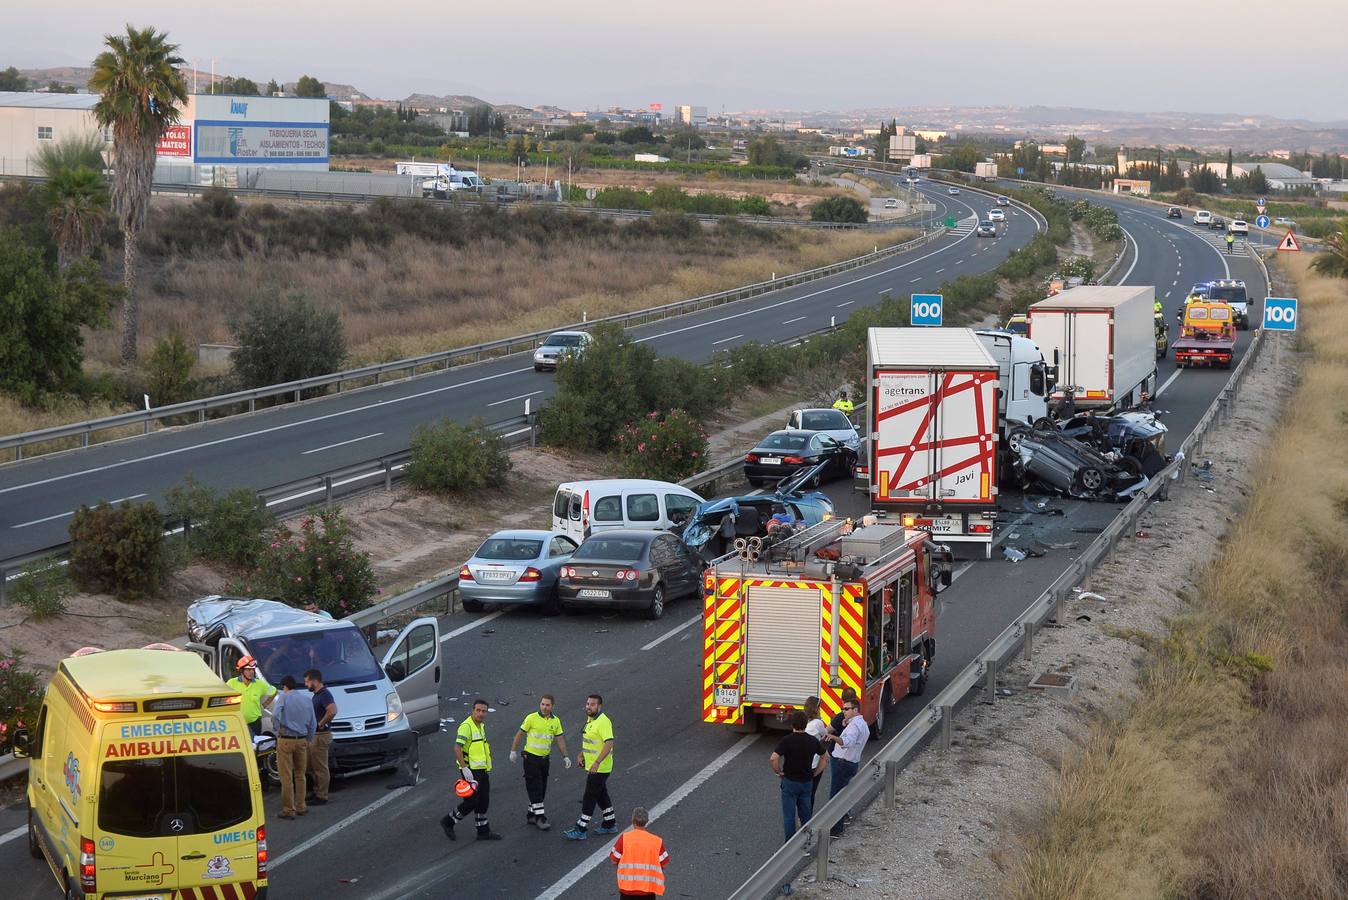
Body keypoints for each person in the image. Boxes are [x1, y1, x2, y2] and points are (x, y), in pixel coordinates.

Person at [510, 694, 572, 830]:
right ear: (540, 704)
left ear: (552, 706)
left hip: (544, 760)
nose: (544, 707)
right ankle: (540, 818)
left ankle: (531, 814)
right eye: (542, 704)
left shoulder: (555, 721)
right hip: (531, 759)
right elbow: (519, 734)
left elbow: (560, 739)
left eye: (547, 705)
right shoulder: (531, 718)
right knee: (536, 788)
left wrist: (565, 756)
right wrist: (513, 751)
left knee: (542, 788)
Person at [443, 699, 502, 841]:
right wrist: (464, 768)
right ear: (473, 710)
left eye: (484, 711)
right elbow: (457, 748)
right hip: (471, 772)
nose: (481, 713)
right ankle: (448, 822)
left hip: (482, 771)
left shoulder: (480, 726)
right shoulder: (466, 727)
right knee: (471, 802)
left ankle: (483, 832)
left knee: (483, 801)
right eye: (478, 710)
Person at [564, 694, 617, 841]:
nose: (588, 706)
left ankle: (581, 828)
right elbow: (592, 742)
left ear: (599, 706)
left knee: (589, 796)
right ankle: (610, 823)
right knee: (601, 794)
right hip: (593, 766)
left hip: (600, 768)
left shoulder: (603, 722)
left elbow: (609, 743)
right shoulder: (591, 720)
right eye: (587, 703)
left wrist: (597, 762)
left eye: (592, 704)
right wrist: (581, 755)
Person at [770, 710, 826, 842]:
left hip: (790, 782)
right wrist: (814, 774)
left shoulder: (787, 740)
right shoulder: (812, 741)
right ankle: (806, 842)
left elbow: (773, 758)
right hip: (806, 783)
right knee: (805, 815)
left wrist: (779, 772)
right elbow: (825, 758)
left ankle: (790, 846)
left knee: (789, 816)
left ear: (792, 725)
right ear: (806, 724)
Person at [271, 675, 317, 820]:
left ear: (285, 687)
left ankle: (288, 809)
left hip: (286, 740)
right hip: (302, 740)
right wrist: (308, 739)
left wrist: (278, 729)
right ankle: (301, 806)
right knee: (300, 775)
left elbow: (275, 715)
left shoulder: (284, 698)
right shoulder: (307, 700)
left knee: (286, 776)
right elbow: (313, 723)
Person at [824, 696, 869, 837]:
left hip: (842, 763)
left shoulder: (854, 726)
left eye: (847, 709)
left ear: (855, 710)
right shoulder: (862, 724)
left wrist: (833, 737)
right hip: (852, 763)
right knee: (843, 794)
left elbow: (846, 742)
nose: (844, 711)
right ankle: (840, 823)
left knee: (836, 797)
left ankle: (835, 829)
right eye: (843, 708)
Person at [610, 806, 670, 898]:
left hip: (627, 889)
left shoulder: (624, 838)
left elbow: (614, 860)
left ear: (633, 820)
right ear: (646, 821)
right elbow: (664, 864)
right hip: (648, 890)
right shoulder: (656, 841)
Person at [304, 669, 337, 805]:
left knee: (320, 767)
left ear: (314, 681)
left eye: (307, 681)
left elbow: (332, 710)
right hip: (315, 736)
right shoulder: (317, 695)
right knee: (312, 766)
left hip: (320, 736)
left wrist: (321, 723)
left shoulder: (324, 694)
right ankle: (317, 791)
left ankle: (322, 796)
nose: (306, 685)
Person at [226, 656, 276, 738]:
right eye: (248, 669)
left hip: (255, 723)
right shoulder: (231, 683)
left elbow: (274, 692)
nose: (251, 672)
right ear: (242, 671)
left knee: (255, 748)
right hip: (236, 722)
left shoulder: (260, 684)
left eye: (253, 669)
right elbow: (223, 698)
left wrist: (264, 705)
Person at [802, 697, 829, 807]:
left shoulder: (803, 721)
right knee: (811, 792)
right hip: (813, 763)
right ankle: (806, 818)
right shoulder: (818, 723)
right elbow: (825, 734)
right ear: (817, 709)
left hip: (802, 762)